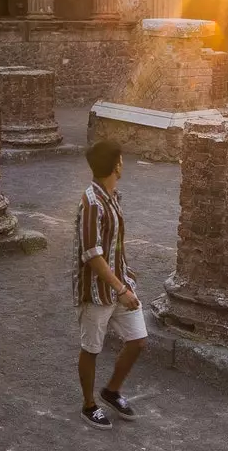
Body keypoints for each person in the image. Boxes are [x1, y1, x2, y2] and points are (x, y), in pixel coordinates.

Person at [74, 140, 145, 429]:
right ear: (115, 164)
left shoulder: (113, 195)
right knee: (91, 348)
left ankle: (111, 390)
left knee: (138, 341)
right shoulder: (91, 202)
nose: (123, 163)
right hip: (96, 291)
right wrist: (121, 289)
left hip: (119, 283)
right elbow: (91, 254)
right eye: (121, 159)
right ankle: (89, 405)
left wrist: (125, 269)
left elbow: (113, 242)